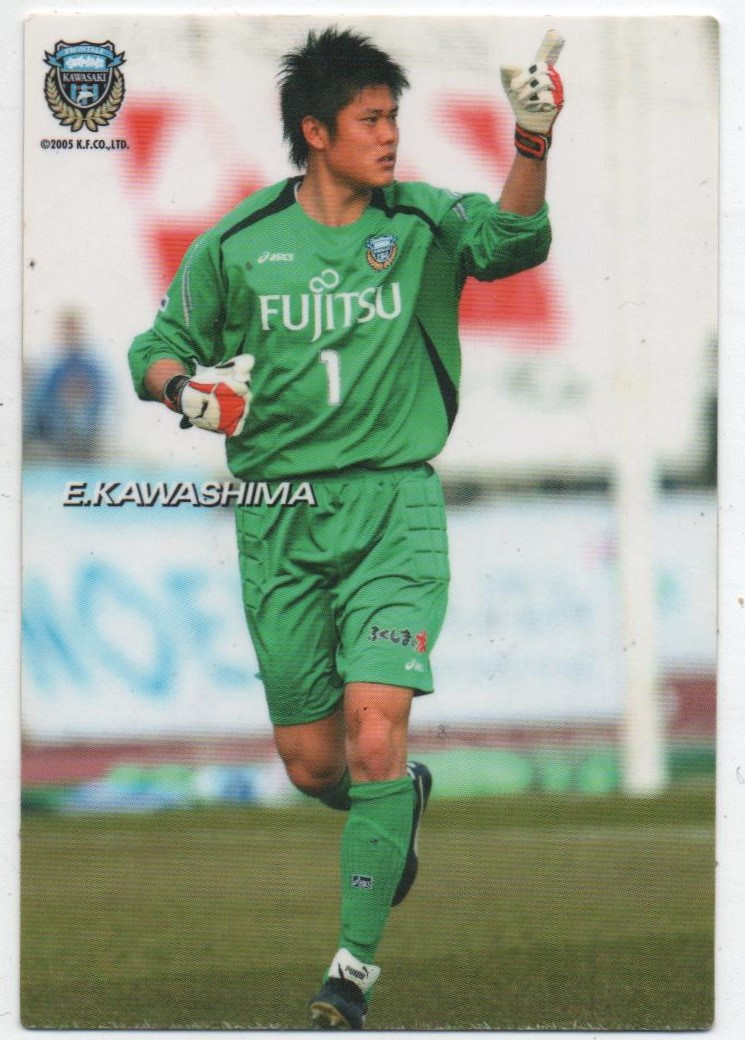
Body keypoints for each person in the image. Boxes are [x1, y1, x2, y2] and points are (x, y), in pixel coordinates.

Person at [128, 26, 562, 1029]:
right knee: (314, 763)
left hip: (391, 507)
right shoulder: (237, 243)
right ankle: (397, 798)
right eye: (370, 119)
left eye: (394, 117)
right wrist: (187, 392)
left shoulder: (422, 219)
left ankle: (349, 976)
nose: (390, 135)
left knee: (373, 727)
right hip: (277, 521)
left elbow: (515, 242)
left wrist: (531, 139)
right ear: (315, 132)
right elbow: (156, 348)